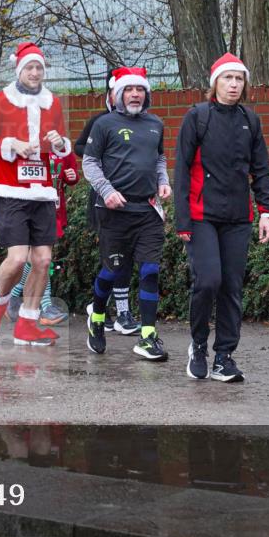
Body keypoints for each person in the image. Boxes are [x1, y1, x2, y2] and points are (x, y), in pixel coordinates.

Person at [174, 53, 269, 383]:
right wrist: (182, 219)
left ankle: (224, 356)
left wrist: (265, 212)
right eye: (228, 78)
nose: (234, 84)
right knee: (208, 281)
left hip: (238, 218)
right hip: (201, 216)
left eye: (239, 79)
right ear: (215, 82)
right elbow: (181, 170)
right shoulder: (197, 117)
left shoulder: (250, 120)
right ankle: (199, 346)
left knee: (231, 286)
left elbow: (261, 170)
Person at [0, 42, 73, 346]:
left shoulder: (52, 102)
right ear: (19, 70)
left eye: (39, 68)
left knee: (43, 260)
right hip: (10, 189)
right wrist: (11, 144)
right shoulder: (2, 100)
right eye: (29, 67)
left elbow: (60, 144)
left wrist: (59, 143)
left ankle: (27, 325)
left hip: (42, 191)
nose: (34, 72)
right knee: (17, 259)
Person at [82, 67, 171, 359]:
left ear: (146, 94)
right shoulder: (104, 124)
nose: (135, 94)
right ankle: (97, 317)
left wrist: (163, 181)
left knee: (150, 271)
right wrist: (106, 191)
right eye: (129, 89)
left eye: (140, 89)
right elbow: (89, 163)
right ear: (118, 94)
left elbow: (159, 158)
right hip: (114, 212)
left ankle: (147, 337)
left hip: (147, 210)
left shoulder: (155, 123)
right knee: (113, 271)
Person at [74, 70, 141, 335]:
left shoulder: (143, 123)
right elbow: (80, 147)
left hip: (134, 198)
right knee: (115, 257)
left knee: (127, 257)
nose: (126, 95)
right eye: (119, 91)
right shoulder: (100, 121)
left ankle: (103, 308)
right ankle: (118, 312)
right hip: (105, 198)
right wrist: (105, 154)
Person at [5, 144, 80, 326]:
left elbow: (71, 173)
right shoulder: (28, 145)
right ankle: (45, 307)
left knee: (40, 260)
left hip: (55, 211)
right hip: (30, 210)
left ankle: (12, 298)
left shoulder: (62, 147)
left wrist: (72, 176)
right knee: (41, 260)